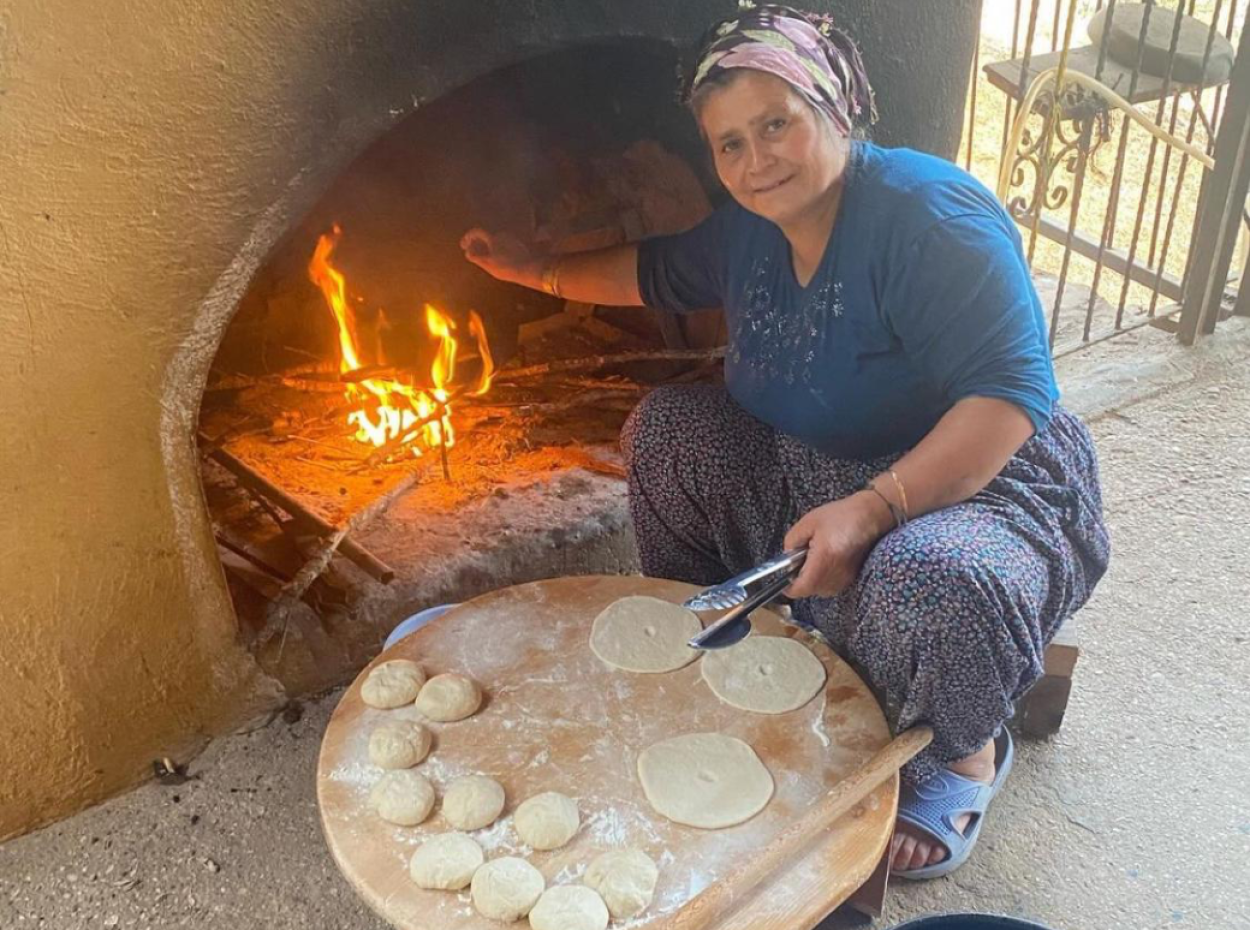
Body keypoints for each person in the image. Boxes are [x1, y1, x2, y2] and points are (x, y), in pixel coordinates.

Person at [461, 4, 1109, 879]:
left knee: (930, 579)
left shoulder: (929, 218)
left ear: (836, 105)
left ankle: (963, 753)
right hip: (817, 466)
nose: (755, 160)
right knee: (667, 432)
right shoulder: (749, 232)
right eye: (729, 143)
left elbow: (1008, 400)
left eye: (776, 124)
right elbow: (652, 271)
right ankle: (735, 649)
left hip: (980, 484)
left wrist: (872, 509)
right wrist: (527, 269)